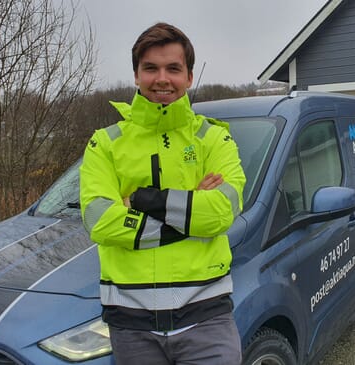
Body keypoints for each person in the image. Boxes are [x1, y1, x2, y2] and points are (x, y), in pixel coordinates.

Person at [79, 22, 246, 365]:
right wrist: (189, 217)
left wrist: (141, 200)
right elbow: (99, 220)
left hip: (207, 320)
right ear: (136, 75)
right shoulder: (105, 143)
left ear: (189, 76)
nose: (162, 79)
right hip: (131, 325)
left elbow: (219, 212)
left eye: (173, 68)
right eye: (151, 68)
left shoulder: (214, 139)